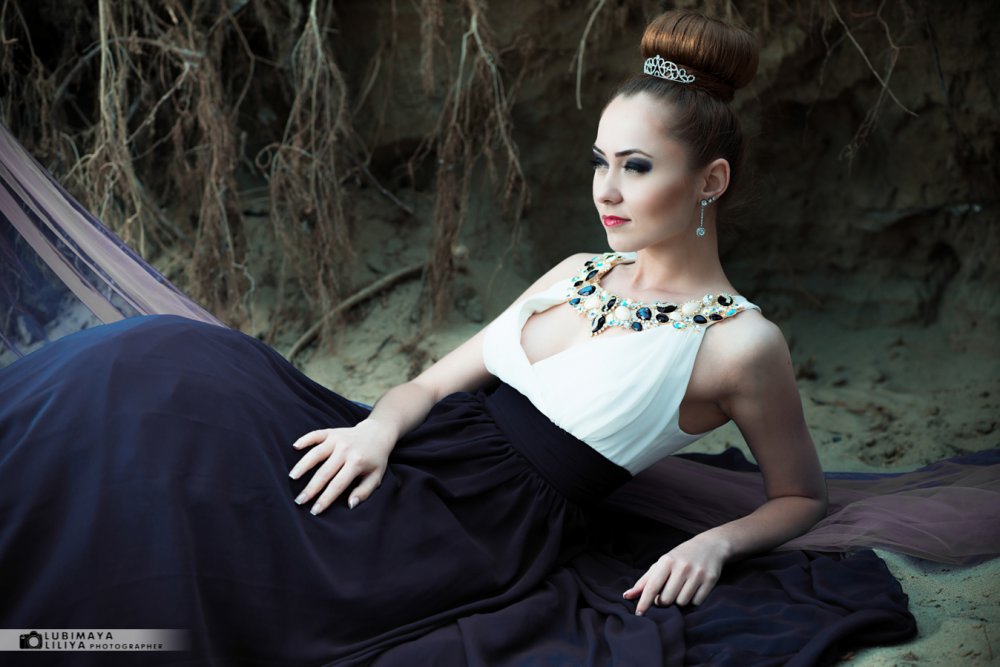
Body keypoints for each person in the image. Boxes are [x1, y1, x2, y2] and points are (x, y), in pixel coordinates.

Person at [0, 9, 920, 667]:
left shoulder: (739, 342)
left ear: (710, 180)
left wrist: (716, 543)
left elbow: (799, 496)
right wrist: (375, 428)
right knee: (149, 367)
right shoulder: (575, 269)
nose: (606, 189)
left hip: (460, 538)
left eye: (637, 167)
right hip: (393, 454)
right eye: (600, 161)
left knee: (160, 488)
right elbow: (435, 384)